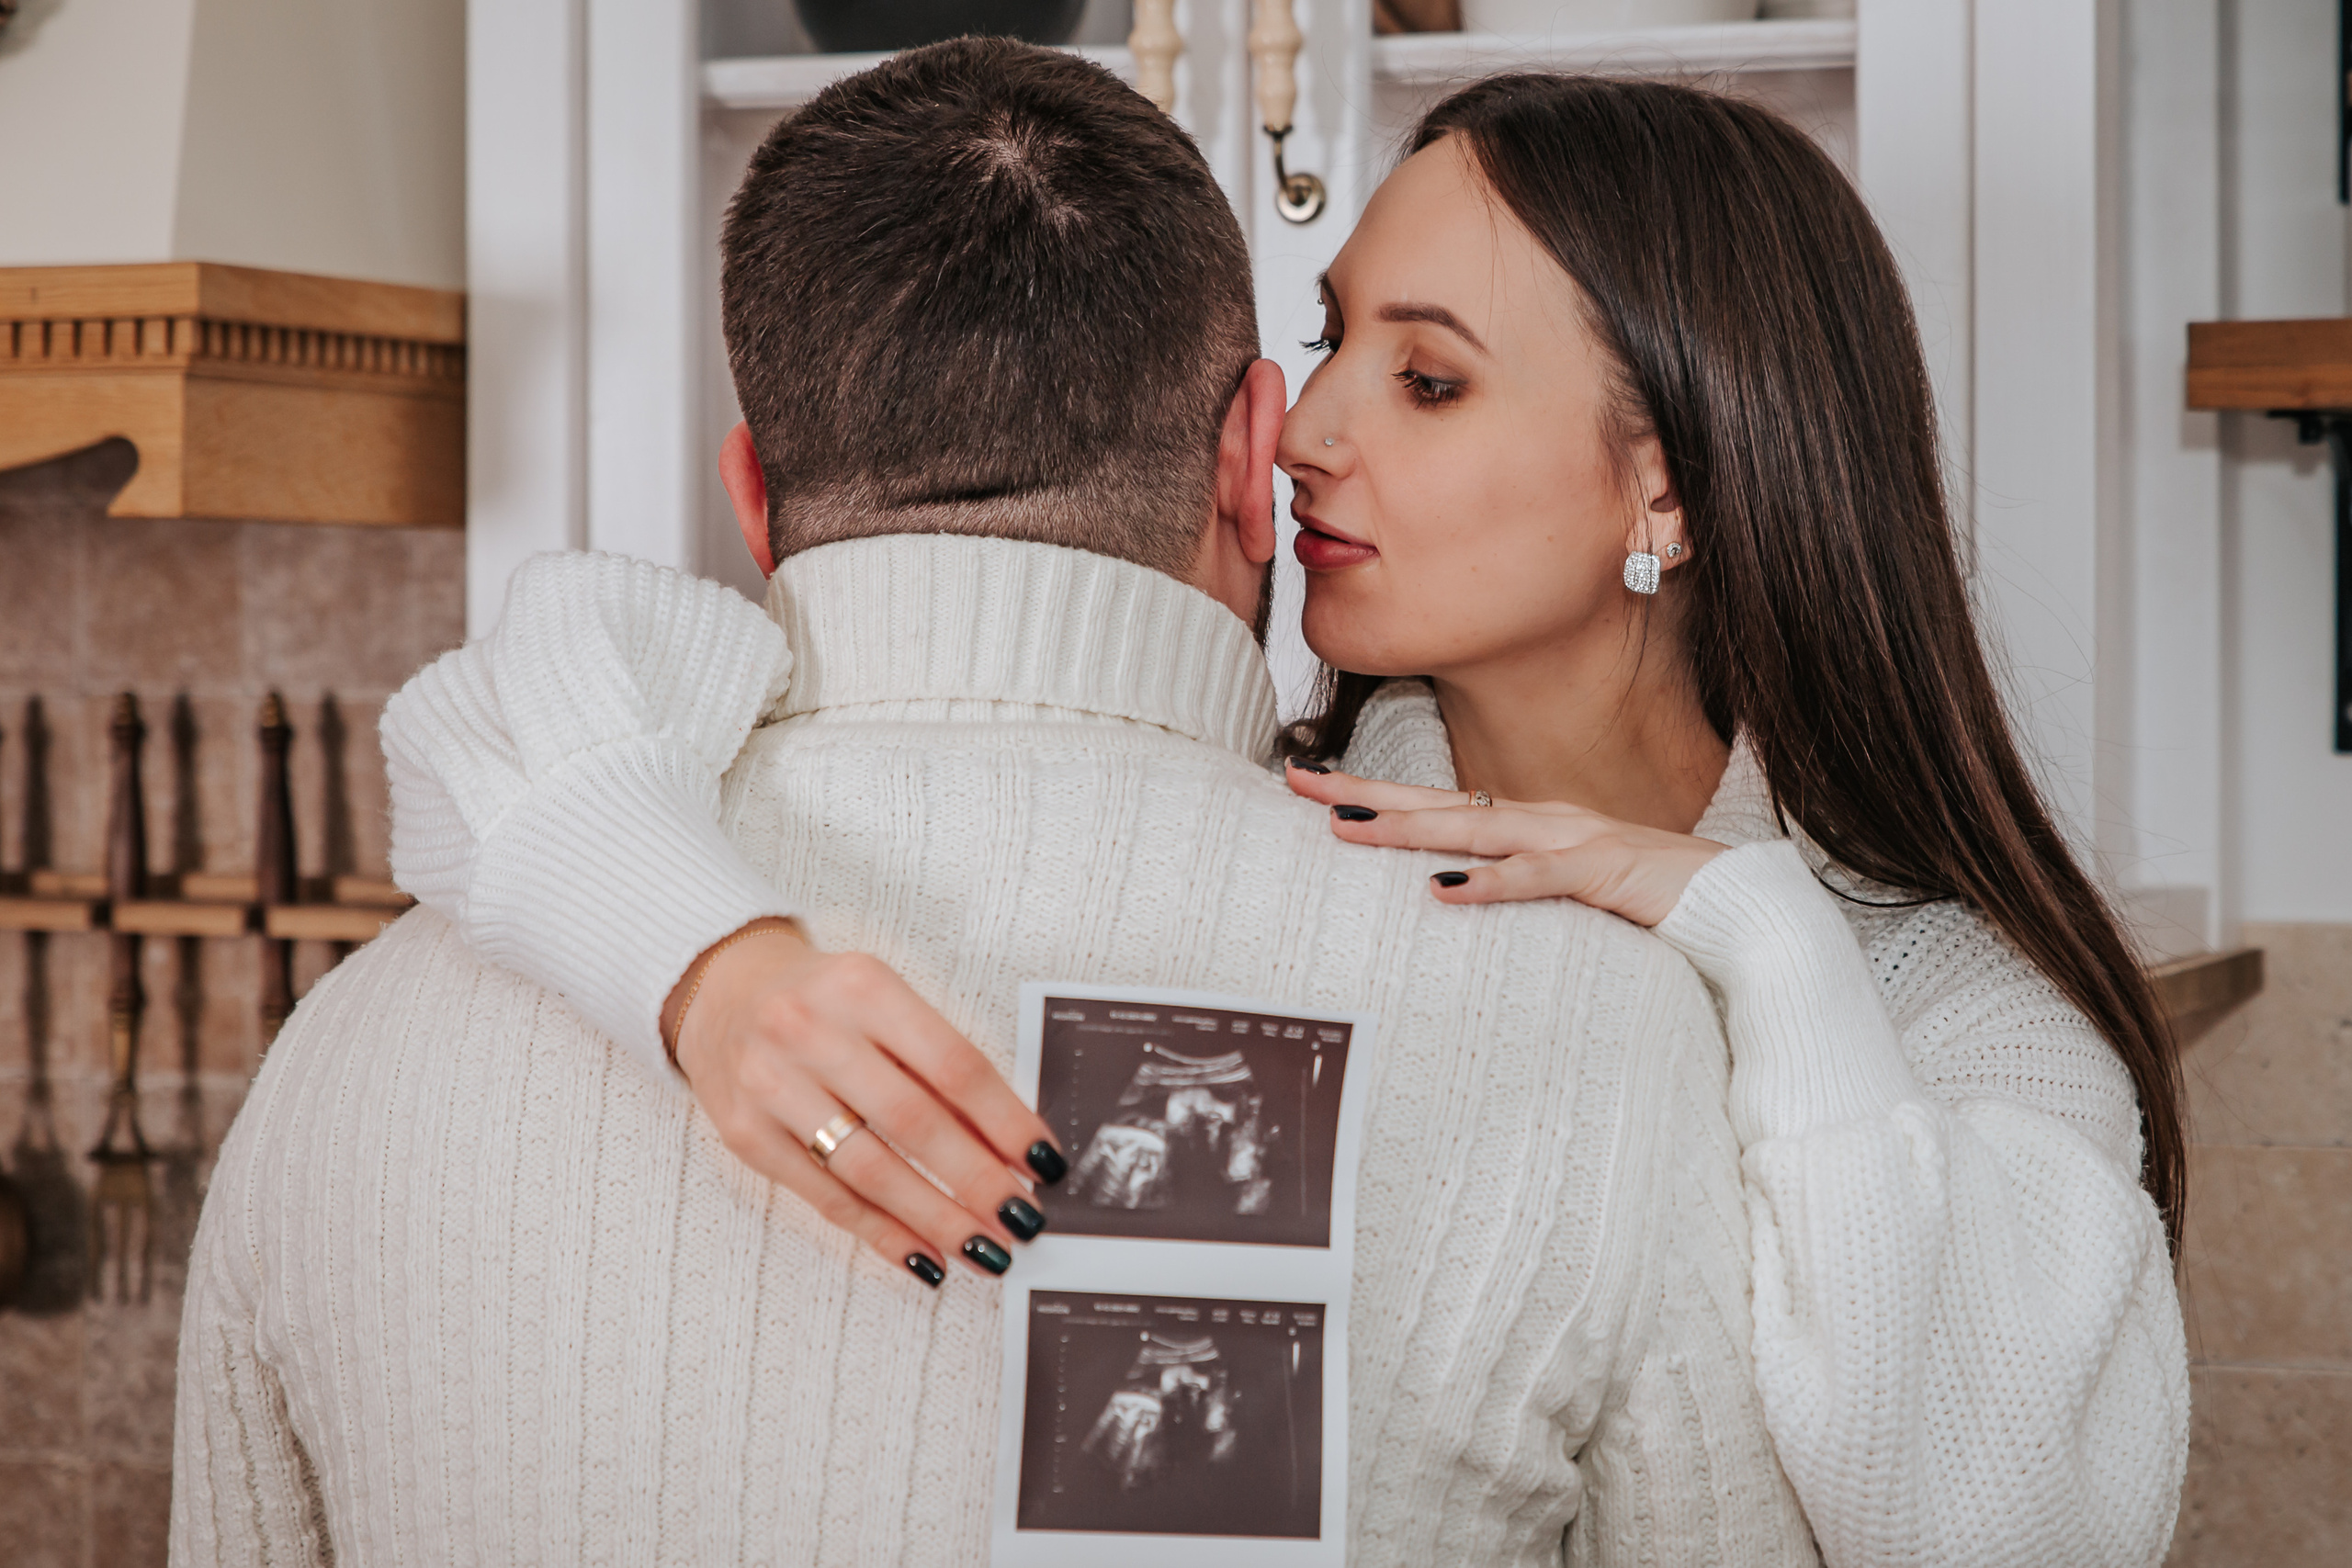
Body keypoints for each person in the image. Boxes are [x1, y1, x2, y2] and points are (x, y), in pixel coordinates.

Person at [368, 62, 2193, 1568]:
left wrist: (1755, 929)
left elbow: (2006, 1528)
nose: (1299, 431)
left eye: (1423, 376)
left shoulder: (1965, 1016)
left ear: (1664, 475)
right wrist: (709, 966)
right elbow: (524, 677)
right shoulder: (1262, 826)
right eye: (1324, 348)